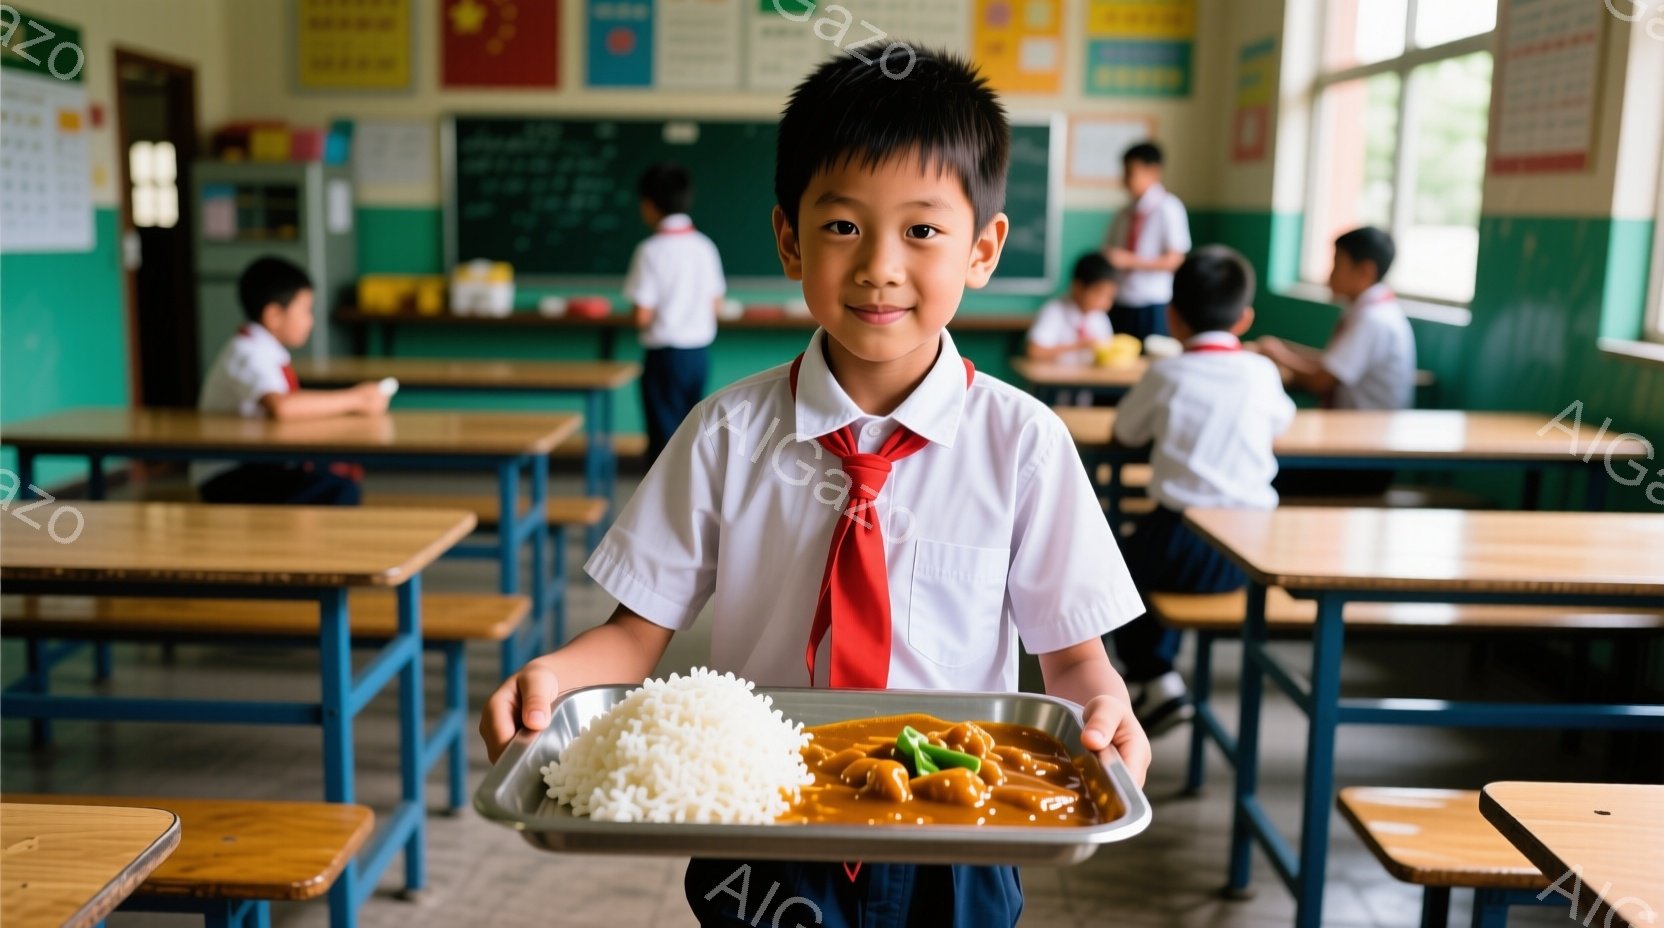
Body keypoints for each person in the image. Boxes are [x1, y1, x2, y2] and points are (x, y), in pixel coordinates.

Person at [480, 47, 1151, 928]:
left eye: (921, 230)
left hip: (965, 821)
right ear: (790, 239)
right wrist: (556, 676)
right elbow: (635, 635)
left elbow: (1071, 661)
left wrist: (1106, 709)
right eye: (842, 227)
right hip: (760, 816)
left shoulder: (1024, 444)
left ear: (983, 249)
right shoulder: (726, 433)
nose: (879, 265)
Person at [1109, 246, 1295, 735]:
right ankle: (1160, 678)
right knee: (1140, 562)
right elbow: (1283, 422)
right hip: (1255, 547)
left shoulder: (1167, 372)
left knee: (1112, 572)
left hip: (1184, 539)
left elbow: (1127, 432)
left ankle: (1157, 675)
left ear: (1172, 317)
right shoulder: (1261, 371)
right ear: (1245, 318)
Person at [193, 256, 388, 505]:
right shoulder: (247, 353)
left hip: (259, 463)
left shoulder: (262, 348)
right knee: (340, 490)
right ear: (274, 315)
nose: (311, 321)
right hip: (229, 475)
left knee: (335, 476)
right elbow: (284, 407)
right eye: (306, 310)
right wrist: (356, 399)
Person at [1254, 226, 1414, 496]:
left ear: (1365, 271)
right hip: (1357, 445)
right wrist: (1280, 350)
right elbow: (1330, 362)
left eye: (1336, 264)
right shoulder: (1374, 311)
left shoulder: (1372, 320)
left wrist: (1280, 355)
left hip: (1362, 461)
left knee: (1264, 473)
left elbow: (1321, 380)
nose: (1328, 274)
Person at [626, 161, 727, 467]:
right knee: (691, 433)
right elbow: (716, 304)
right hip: (698, 354)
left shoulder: (651, 250)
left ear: (649, 205)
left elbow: (641, 316)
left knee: (663, 440)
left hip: (664, 356)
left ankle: (662, 505)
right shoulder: (704, 246)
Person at [1103, 141, 1191, 343]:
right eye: (1124, 173)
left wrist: (1130, 261)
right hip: (1120, 300)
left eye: (1131, 173)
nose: (1125, 180)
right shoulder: (1124, 212)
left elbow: (1175, 260)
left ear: (1153, 172)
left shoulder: (1169, 208)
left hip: (1152, 303)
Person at [1026, 251, 1116, 365]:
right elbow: (1034, 351)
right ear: (1078, 287)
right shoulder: (1054, 311)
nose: (1105, 303)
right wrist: (1081, 346)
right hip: (1056, 379)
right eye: (1099, 293)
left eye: (1110, 296)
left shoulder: (1100, 317)